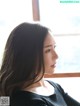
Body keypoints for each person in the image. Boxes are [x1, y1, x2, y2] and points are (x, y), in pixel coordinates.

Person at [0, 22, 80, 106]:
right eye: (48, 50)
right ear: (28, 55)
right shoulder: (26, 101)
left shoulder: (54, 86)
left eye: (54, 47)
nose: (56, 56)